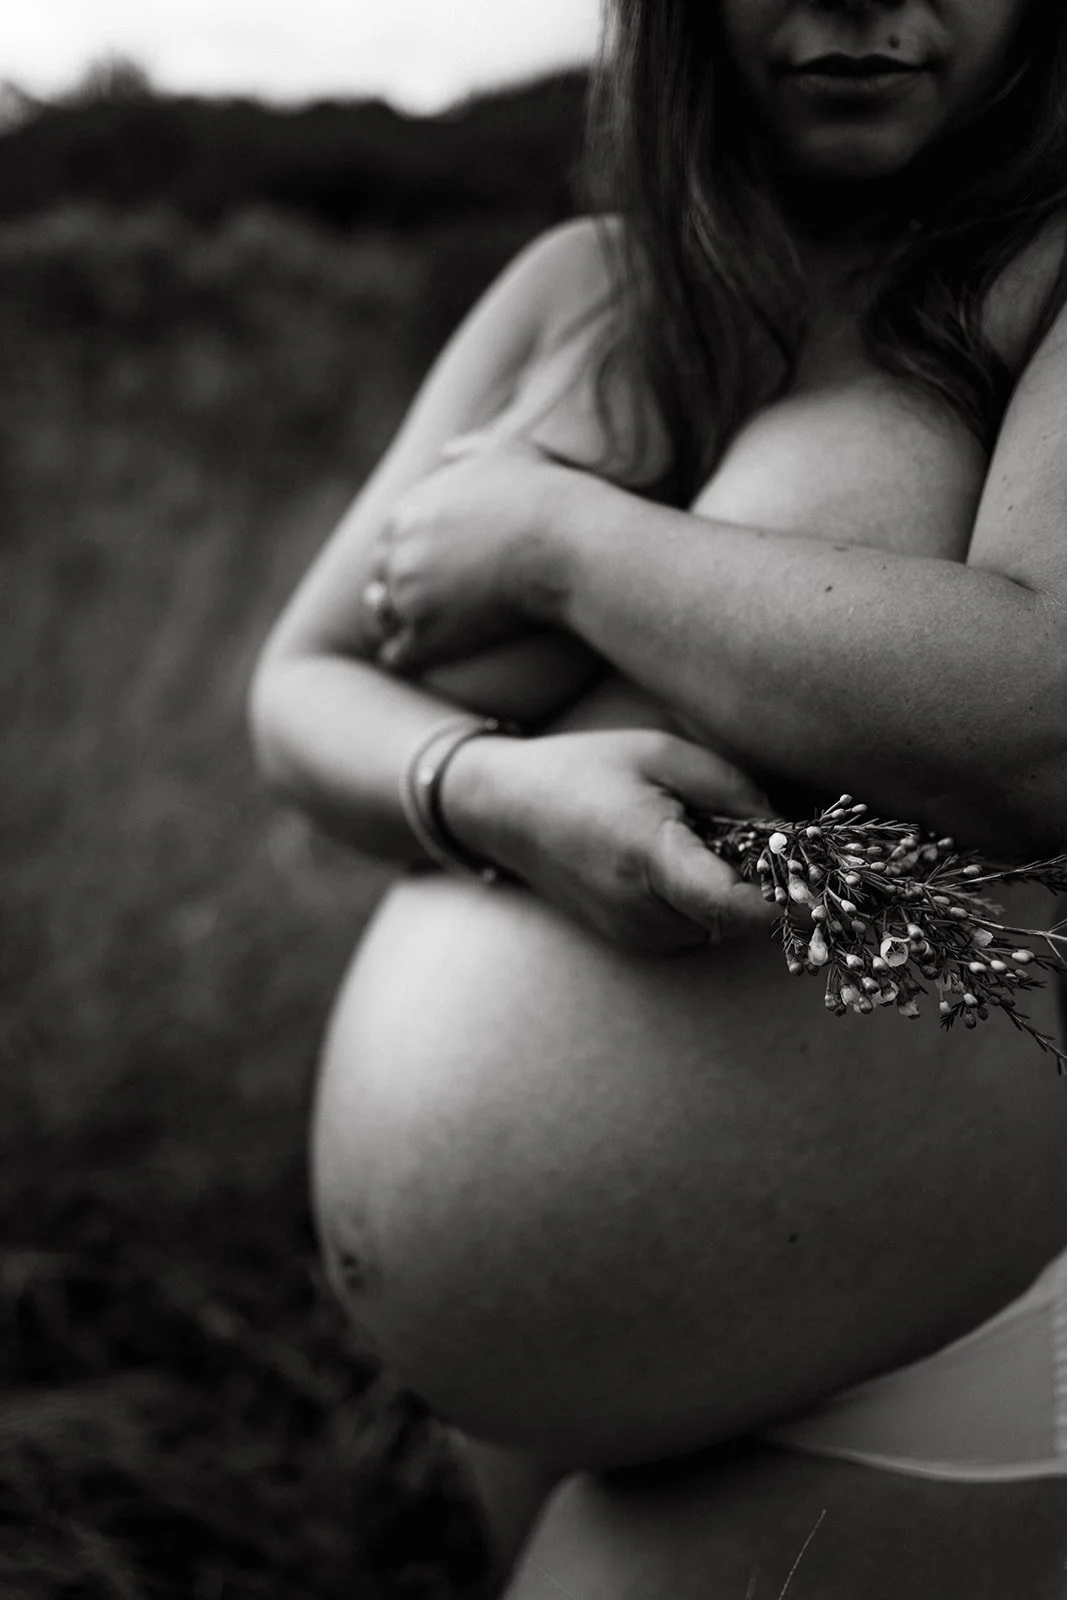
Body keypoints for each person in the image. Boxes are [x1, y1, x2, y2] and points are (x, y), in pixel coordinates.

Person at [248, 1, 1067, 1593]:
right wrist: (489, 792)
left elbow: (1038, 718)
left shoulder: (1045, 277)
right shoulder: (582, 287)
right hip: (560, 1366)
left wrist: (555, 545)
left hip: (926, 1356)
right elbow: (297, 692)